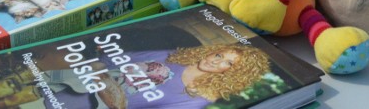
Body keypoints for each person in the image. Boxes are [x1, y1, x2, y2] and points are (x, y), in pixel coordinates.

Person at [30, 44, 271, 109]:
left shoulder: (197, 98)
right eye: (219, 54)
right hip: (64, 82)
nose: (215, 60)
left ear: (232, 74)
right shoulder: (176, 55)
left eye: (227, 63)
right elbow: (115, 58)